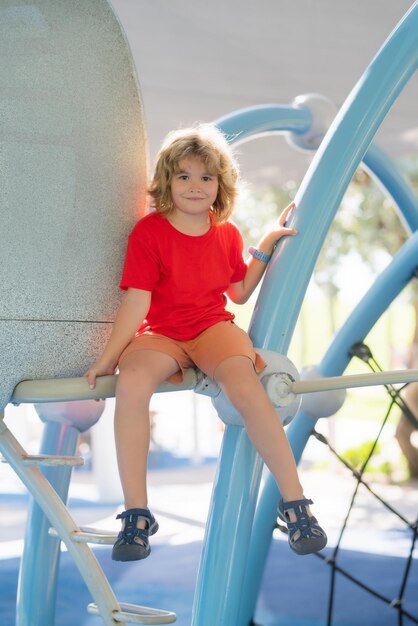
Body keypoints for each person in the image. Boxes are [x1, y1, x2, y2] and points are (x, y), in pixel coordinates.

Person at [86, 123, 327, 561]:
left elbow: (237, 292)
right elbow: (138, 304)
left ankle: (295, 504)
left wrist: (265, 247)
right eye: (184, 176)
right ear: (166, 182)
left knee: (244, 382)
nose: (195, 186)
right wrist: (108, 358)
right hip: (161, 332)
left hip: (211, 327)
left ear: (220, 185)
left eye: (206, 177)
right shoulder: (149, 232)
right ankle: (136, 515)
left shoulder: (226, 233)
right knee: (132, 382)